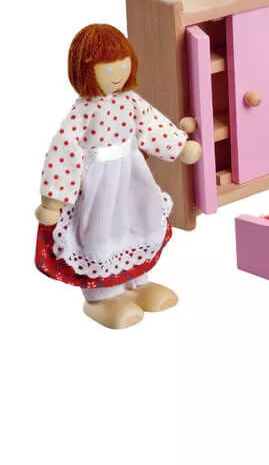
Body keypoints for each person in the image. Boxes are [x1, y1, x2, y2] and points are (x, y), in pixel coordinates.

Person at [34, 24, 201, 328]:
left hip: (132, 176)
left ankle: (139, 283)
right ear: (85, 70)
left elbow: (152, 125)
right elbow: (63, 152)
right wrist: (52, 200)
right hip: (99, 184)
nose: (118, 73)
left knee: (140, 218)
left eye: (123, 63)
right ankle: (102, 297)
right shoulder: (82, 113)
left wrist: (179, 146)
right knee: (101, 231)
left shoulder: (131, 101)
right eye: (108, 67)